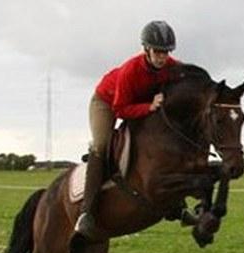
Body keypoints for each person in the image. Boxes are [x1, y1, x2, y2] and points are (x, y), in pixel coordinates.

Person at [74, 20, 180, 238]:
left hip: (137, 104)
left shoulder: (172, 66)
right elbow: (121, 109)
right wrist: (149, 106)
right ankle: (86, 212)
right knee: (101, 145)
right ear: (146, 49)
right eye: (158, 52)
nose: (162, 57)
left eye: (166, 52)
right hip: (107, 102)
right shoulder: (130, 70)